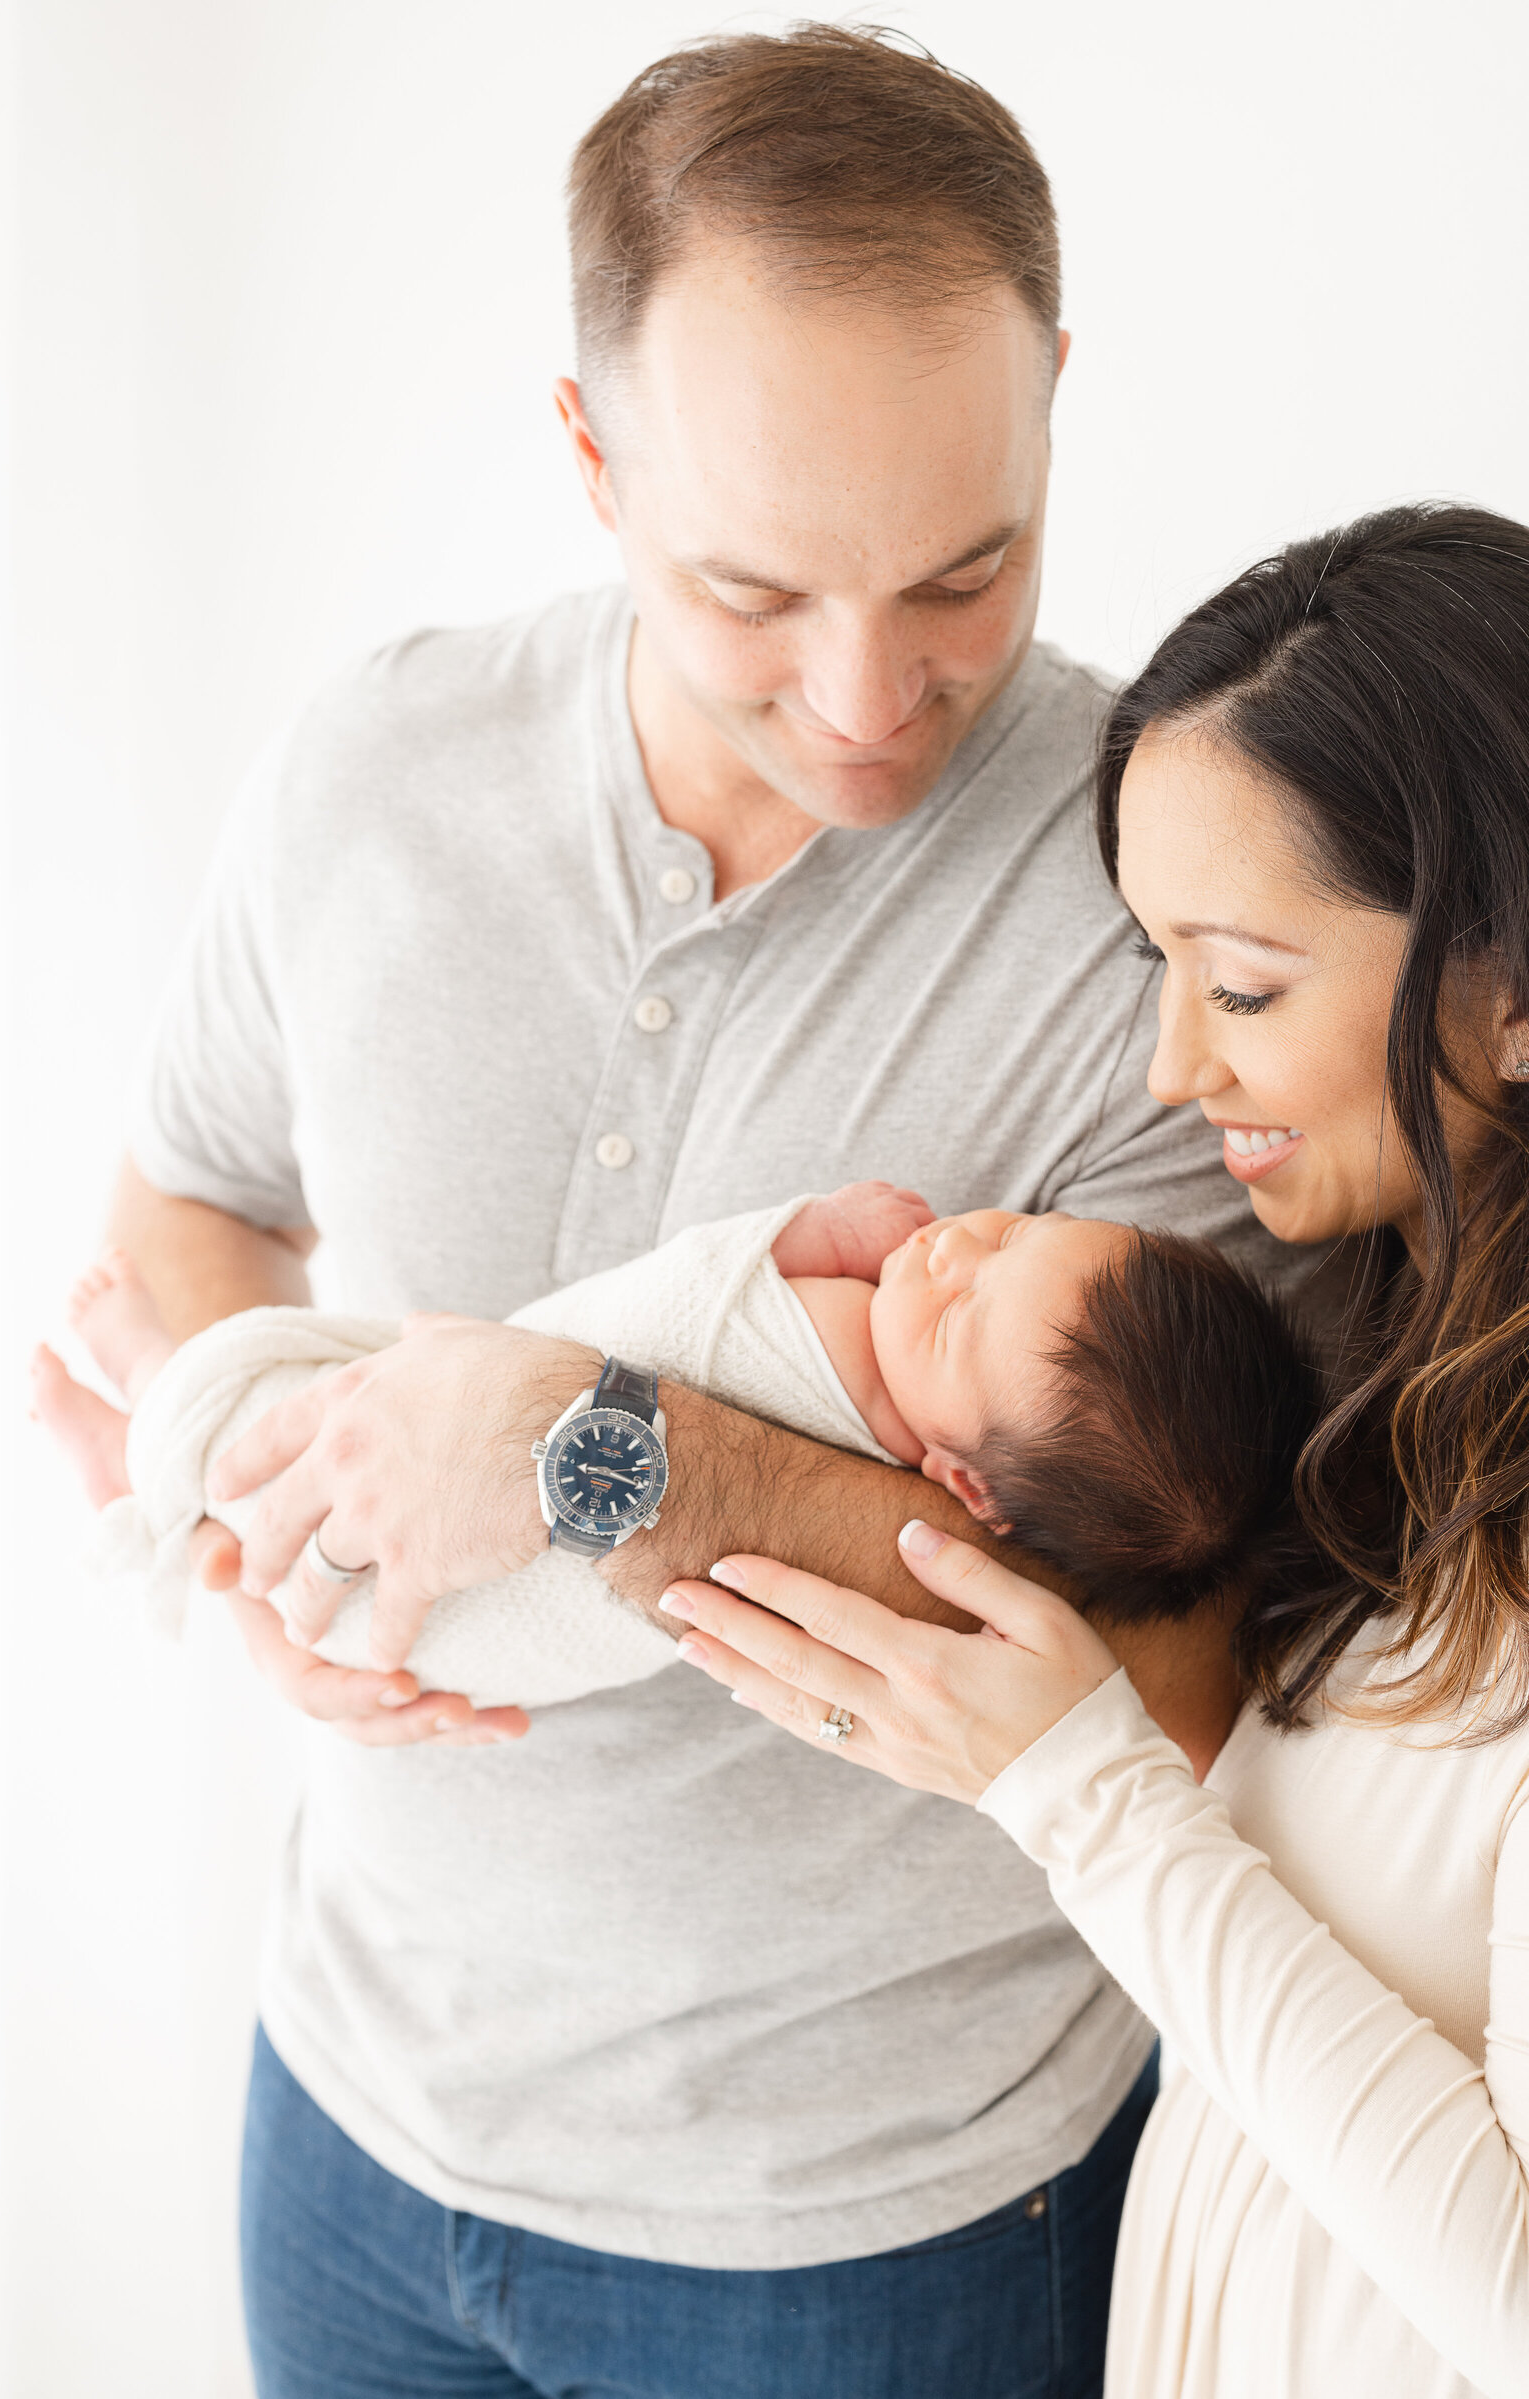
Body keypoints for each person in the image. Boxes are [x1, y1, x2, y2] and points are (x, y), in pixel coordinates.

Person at [99, 26, 1337, 2399]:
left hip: (875, 2225)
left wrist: (594, 1439)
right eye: (750, 586)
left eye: (963, 566)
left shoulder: (1170, 923)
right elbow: (185, 1192)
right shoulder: (372, 764)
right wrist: (245, 1522)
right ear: (587, 453)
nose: (870, 695)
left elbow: (1169, 1648)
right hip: (350, 2116)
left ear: (1053, 401)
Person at [655, 504, 1529, 2397]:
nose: (1168, 1070)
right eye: (1156, 966)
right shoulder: (1392, 1375)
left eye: (1241, 985)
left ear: (1513, 986)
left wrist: (1085, 1793)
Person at [38, 1183, 1317, 1704]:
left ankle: (151, 1402)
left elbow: (687, 1317)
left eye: (971, 1303)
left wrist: (798, 1233)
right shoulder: (918, 1374)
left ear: (964, 1480)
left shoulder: (842, 1370)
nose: (955, 1246)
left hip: (468, 1594)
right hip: (370, 1986)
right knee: (326, 1428)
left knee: (269, 1406)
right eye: (1023, 1225)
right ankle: (155, 1494)